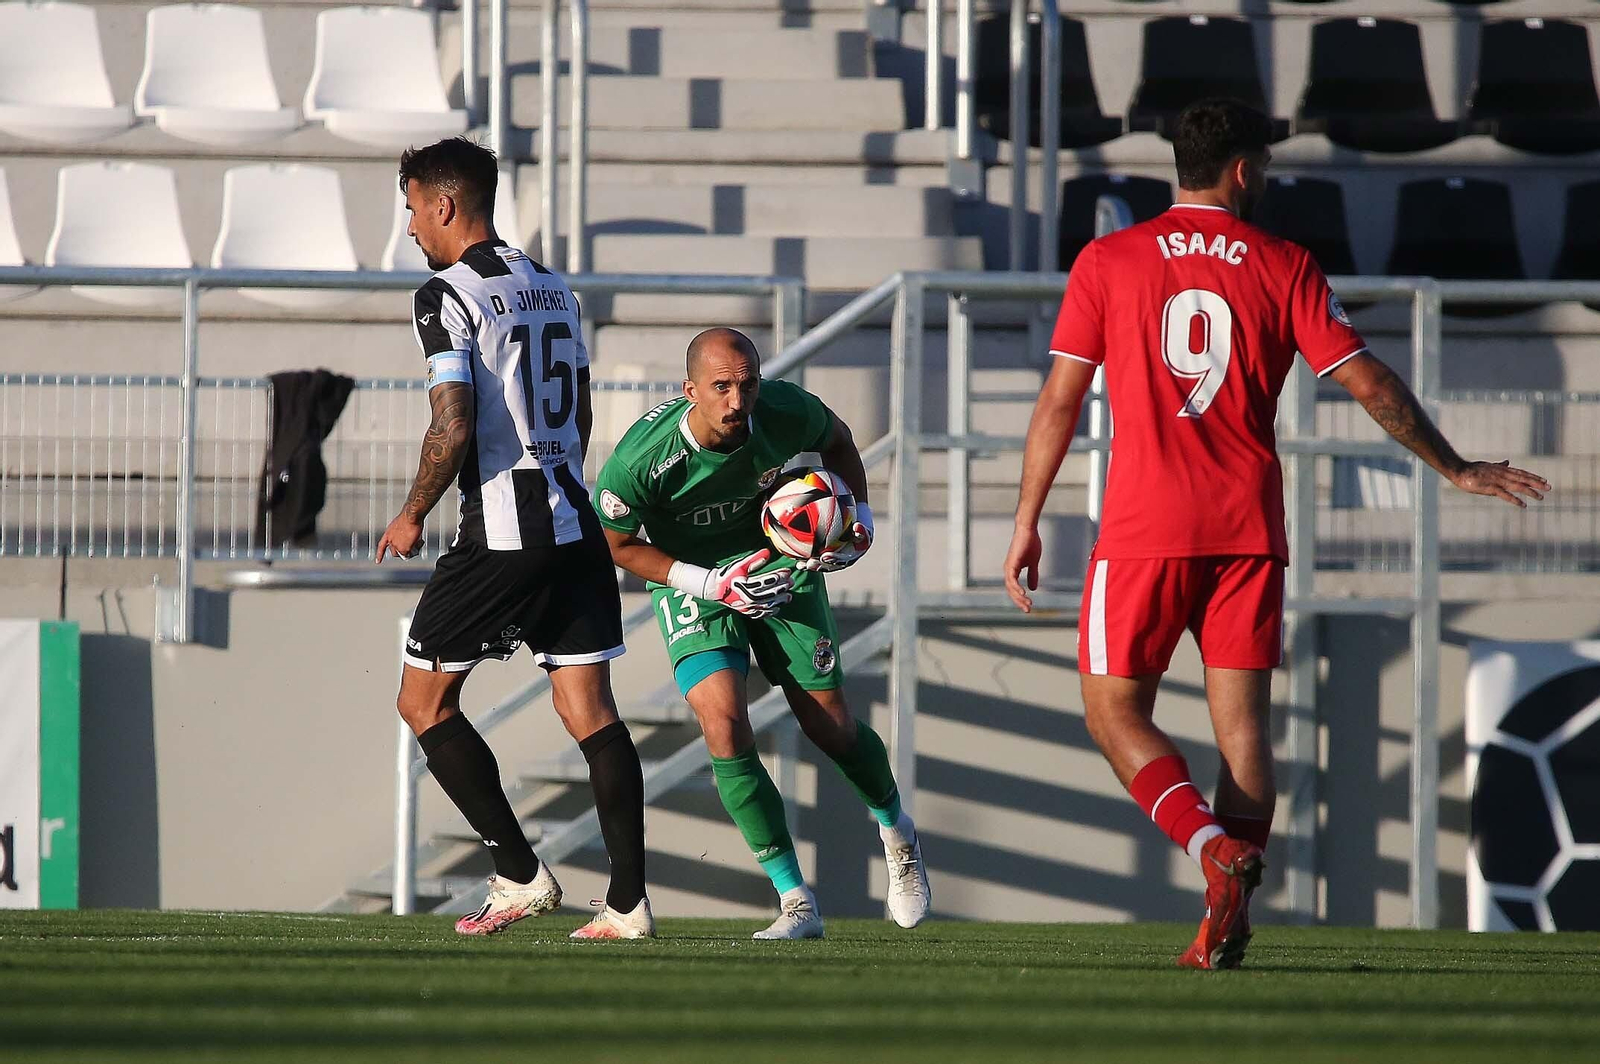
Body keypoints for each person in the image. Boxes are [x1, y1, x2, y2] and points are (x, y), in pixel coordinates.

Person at [1003, 99, 1548, 969]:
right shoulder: (1283, 262)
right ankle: (1233, 915)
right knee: (1244, 731)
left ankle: (1212, 850)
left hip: (1145, 525)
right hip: (1247, 526)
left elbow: (1059, 401)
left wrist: (1027, 519)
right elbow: (1370, 384)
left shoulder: (1108, 259)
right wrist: (1453, 467)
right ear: (1245, 170)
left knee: (1113, 711)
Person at [376, 137, 652, 940]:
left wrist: (412, 511)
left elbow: (452, 423)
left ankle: (520, 873)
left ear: (445, 204)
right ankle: (629, 903)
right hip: (575, 521)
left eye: (412, 209)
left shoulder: (446, 294)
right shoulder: (554, 288)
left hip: (503, 529)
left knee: (422, 701)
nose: (411, 228)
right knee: (588, 708)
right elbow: (584, 410)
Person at [593, 327, 930, 940]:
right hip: (695, 584)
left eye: (746, 384)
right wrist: (706, 584)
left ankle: (897, 833)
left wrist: (854, 516)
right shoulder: (640, 459)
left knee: (829, 726)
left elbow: (839, 441)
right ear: (689, 389)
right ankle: (795, 900)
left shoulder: (784, 408)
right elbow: (616, 542)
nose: (736, 400)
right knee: (722, 722)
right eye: (721, 386)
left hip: (779, 566)